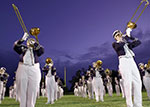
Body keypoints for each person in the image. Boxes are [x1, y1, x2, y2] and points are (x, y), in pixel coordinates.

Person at [112, 28, 142, 107]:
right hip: (123, 61)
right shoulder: (115, 44)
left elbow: (138, 42)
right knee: (127, 82)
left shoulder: (126, 43)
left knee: (137, 81)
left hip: (132, 60)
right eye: (117, 35)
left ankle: (138, 104)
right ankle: (129, 105)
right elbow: (119, 48)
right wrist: (125, 38)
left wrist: (130, 36)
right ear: (115, 37)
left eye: (120, 34)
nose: (119, 36)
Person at [13, 31, 44, 107]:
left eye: (32, 41)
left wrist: (35, 43)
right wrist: (22, 39)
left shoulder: (36, 49)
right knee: (22, 89)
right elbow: (15, 47)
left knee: (33, 89)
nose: (30, 42)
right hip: (23, 67)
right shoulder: (23, 48)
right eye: (29, 41)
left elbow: (42, 51)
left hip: (34, 68)